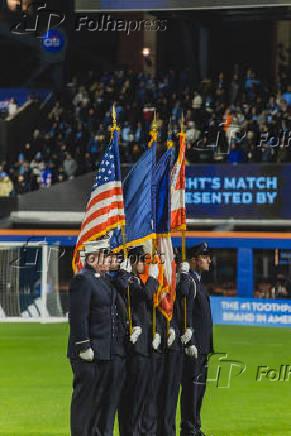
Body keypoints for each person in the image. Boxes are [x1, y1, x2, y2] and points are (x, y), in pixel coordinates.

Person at [67, 235, 127, 436]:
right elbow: (78, 316)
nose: (108, 259)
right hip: (89, 353)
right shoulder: (82, 280)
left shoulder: (104, 281)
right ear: (92, 258)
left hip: (104, 352)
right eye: (104, 255)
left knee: (99, 402)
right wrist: (83, 345)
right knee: (85, 402)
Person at [116, 245, 160, 436]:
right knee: (132, 399)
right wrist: (153, 278)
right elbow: (145, 295)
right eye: (142, 259)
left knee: (142, 397)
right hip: (134, 348)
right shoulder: (127, 281)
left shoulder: (137, 281)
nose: (145, 263)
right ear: (132, 261)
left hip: (145, 346)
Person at [180, 242, 214, 436]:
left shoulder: (198, 281)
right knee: (192, 390)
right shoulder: (189, 281)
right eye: (204, 256)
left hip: (202, 347)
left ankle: (196, 427)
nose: (209, 260)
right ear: (193, 260)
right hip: (194, 346)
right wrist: (190, 341)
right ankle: (189, 429)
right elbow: (187, 312)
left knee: (199, 390)